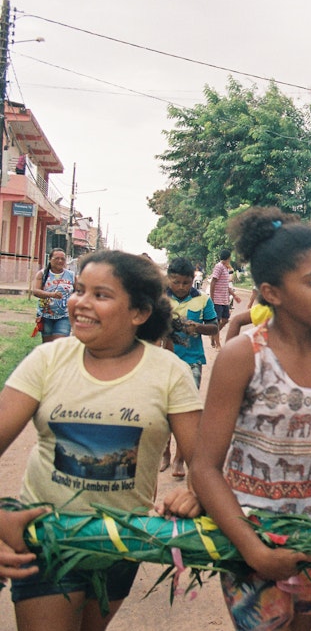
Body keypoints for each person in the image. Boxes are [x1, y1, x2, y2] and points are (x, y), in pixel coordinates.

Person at [2, 250, 203, 630]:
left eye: (101, 295)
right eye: (79, 290)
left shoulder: (169, 372)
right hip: (47, 538)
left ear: (139, 313)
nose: (80, 302)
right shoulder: (47, 360)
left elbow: (203, 462)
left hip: (123, 541)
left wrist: (195, 492)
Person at [190, 208, 311, 631]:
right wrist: (254, 551)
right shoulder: (244, 355)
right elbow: (205, 467)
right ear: (272, 293)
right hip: (248, 531)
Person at [160, 257, 218, 479]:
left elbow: (214, 327)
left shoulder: (203, 300)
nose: (181, 287)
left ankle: (179, 459)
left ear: (193, 280)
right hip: (165, 360)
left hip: (192, 360)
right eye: (176, 282)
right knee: (164, 409)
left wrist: (198, 327)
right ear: (169, 279)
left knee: (187, 412)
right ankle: (165, 453)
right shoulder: (161, 299)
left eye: (186, 282)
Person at [30, 248, 75, 343]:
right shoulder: (42, 274)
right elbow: (35, 291)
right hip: (46, 316)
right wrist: (51, 295)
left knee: (60, 344)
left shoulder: (71, 275)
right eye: (57, 258)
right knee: (48, 345)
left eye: (63, 259)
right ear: (50, 259)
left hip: (65, 316)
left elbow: (79, 292)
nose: (60, 261)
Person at [209, 248, 241, 348]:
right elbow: (213, 282)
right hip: (217, 299)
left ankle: (213, 335)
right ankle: (218, 344)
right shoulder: (219, 267)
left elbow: (225, 285)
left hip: (224, 299)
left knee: (225, 319)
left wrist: (234, 295)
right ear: (228, 258)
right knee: (217, 321)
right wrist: (212, 297)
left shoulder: (225, 268)